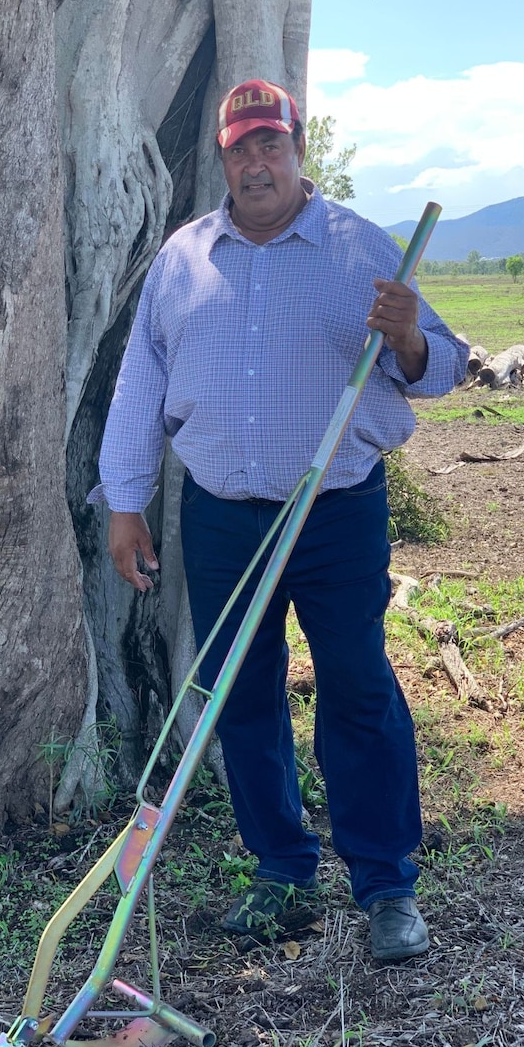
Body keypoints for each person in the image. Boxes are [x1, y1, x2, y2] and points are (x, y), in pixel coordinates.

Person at [88, 78, 468, 960]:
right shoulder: (183, 259)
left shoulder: (360, 248)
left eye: (272, 144)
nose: (256, 162)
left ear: (298, 150)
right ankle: (282, 872)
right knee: (239, 693)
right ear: (220, 159)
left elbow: (443, 365)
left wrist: (410, 338)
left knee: (358, 686)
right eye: (239, 148)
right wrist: (125, 504)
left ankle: (386, 886)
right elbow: (139, 386)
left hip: (335, 511)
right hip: (222, 514)